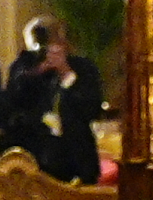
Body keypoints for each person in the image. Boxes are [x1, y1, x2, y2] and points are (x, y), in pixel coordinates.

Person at [3, 17, 104, 183]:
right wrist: (39, 70)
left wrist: (66, 74)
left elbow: (91, 107)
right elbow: (13, 100)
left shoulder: (84, 69)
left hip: (75, 158)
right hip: (35, 156)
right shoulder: (25, 67)